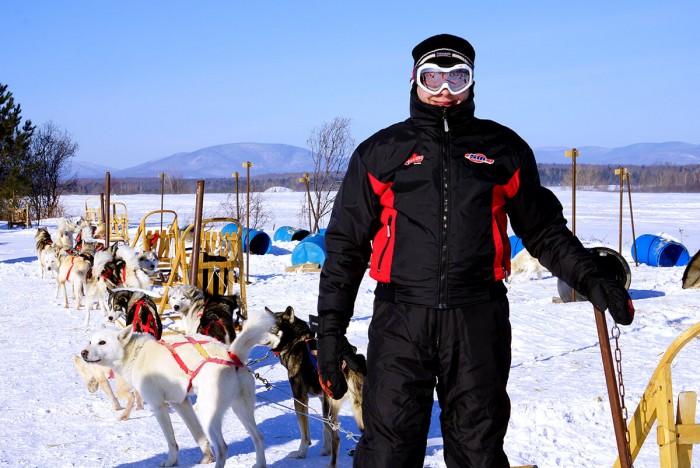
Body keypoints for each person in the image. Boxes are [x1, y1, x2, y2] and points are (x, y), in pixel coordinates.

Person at [316, 33, 634, 468]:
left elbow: (543, 230)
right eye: (433, 78)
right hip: (400, 320)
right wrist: (330, 334)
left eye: (457, 78)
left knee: (478, 451)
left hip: (478, 319)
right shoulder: (381, 152)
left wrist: (591, 274)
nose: (445, 91)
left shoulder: (502, 149)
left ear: (472, 84)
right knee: (387, 453)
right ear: (414, 81)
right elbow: (345, 249)